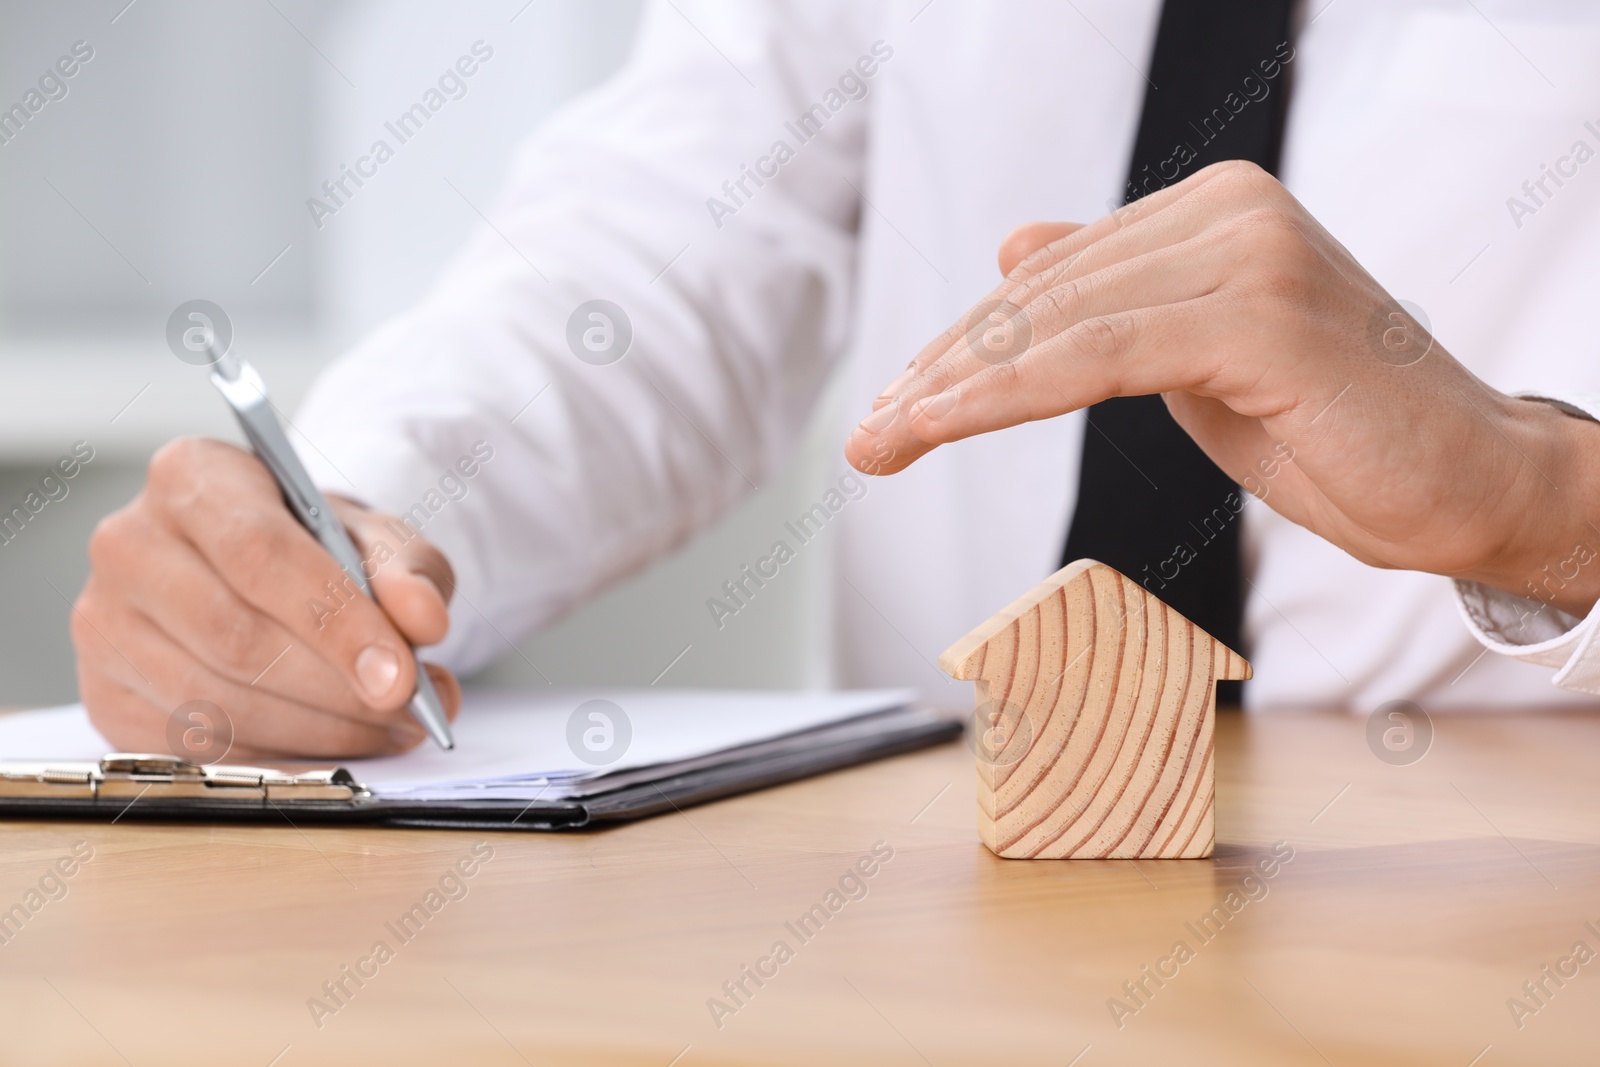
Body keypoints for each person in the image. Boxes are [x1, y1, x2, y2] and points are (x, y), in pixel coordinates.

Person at [71, 1, 1600, 756]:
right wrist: (353, 524)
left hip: (1504, 910)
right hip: (933, 902)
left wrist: (1550, 505)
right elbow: (659, 251)